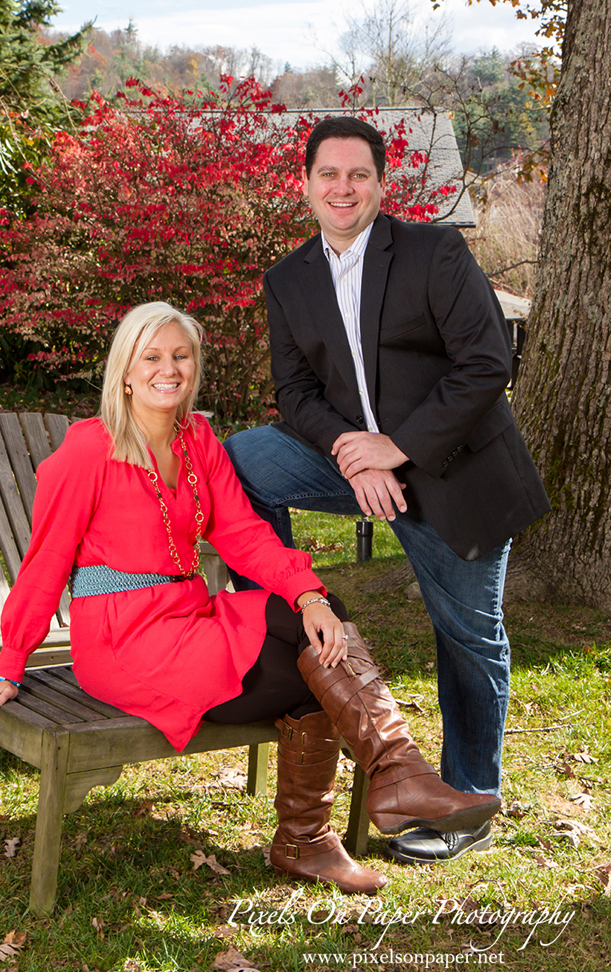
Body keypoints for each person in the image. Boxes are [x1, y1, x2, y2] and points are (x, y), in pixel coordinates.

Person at [0, 301, 500, 892]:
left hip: (191, 617)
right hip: (123, 641)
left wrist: (309, 593)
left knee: (323, 619)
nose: (168, 369)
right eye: (152, 356)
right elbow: (45, 564)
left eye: (181, 355)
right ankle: (327, 827)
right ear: (124, 370)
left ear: (194, 366)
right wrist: (9, 666)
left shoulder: (196, 439)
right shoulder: (88, 451)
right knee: (313, 666)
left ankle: (390, 778)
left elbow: (243, 536)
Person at [224, 117, 551, 865]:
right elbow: (294, 393)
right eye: (328, 175)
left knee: (468, 637)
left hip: (453, 473)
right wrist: (356, 457)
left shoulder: (433, 251)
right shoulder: (287, 279)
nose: (342, 188)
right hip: (359, 470)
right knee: (245, 459)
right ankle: (290, 614)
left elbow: (486, 361)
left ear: (379, 183)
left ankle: (467, 801)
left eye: (357, 175)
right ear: (304, 184)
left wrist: (396, 449)